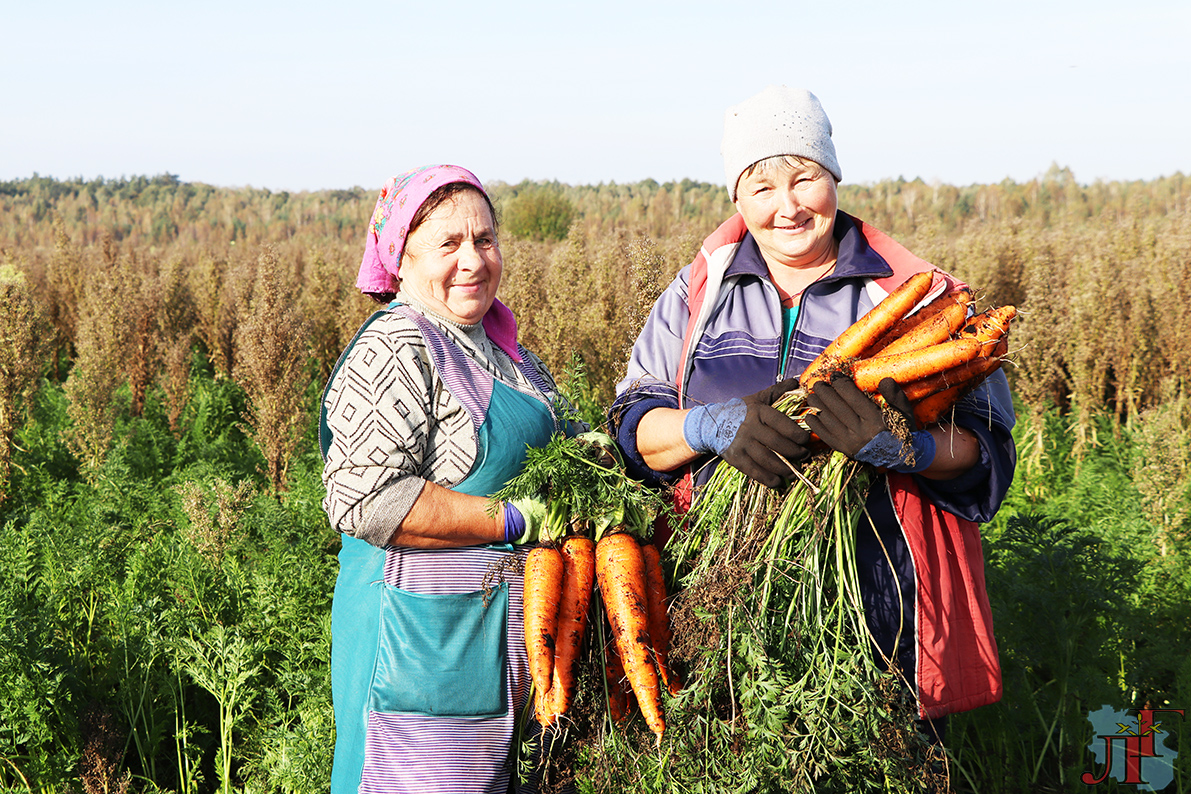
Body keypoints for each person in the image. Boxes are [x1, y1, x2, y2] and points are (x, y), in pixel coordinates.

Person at [609, 86, 1016, 738]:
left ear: (833, 177)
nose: (787, 206)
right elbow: (632, 426)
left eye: (804, 178)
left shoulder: (921, 297)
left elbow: (986, 449)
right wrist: (702, 426)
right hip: (722, 606)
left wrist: (908, 448)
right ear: (735, 198)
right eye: (761, 186)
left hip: (878, 617)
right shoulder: (697, 294)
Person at [319, 165, 566, 794]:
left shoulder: (504, 350)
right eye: (447, 244)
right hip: (419, 651)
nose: (473, 260)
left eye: (484, 240)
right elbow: (369, 501)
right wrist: (514, 520)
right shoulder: (397, 346)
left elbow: (572, 442)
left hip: (502, 650)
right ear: (400, 260)